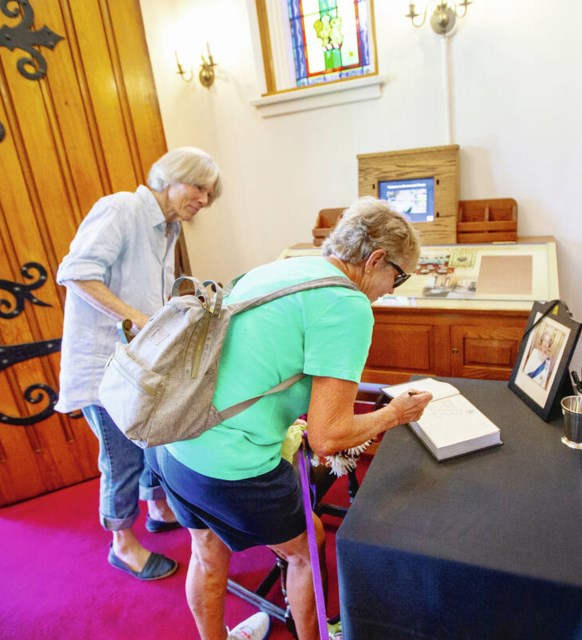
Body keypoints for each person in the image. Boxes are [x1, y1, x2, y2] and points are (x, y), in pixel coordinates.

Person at [147, 197, 434, 640]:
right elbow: (329, 437)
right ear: (376, 259)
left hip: (175, 437)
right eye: (398, 275)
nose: (393, 288)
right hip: (231, 463)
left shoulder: (284, 269)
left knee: (205, 549)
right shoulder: (348, 304)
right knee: (307, 548)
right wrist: (395, 414)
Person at [54, 147, 223, 583]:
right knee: (122, 457)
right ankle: (121, 544)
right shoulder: (122, 208)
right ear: (170, 177)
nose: (204, 200)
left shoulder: (166, 229)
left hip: (138, 366)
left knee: (151, 443)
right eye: (200, 188)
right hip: (104, 367)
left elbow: (148, 293)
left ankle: (158, 507)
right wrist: (138, 318)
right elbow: (76, 272)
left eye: (209, 193)